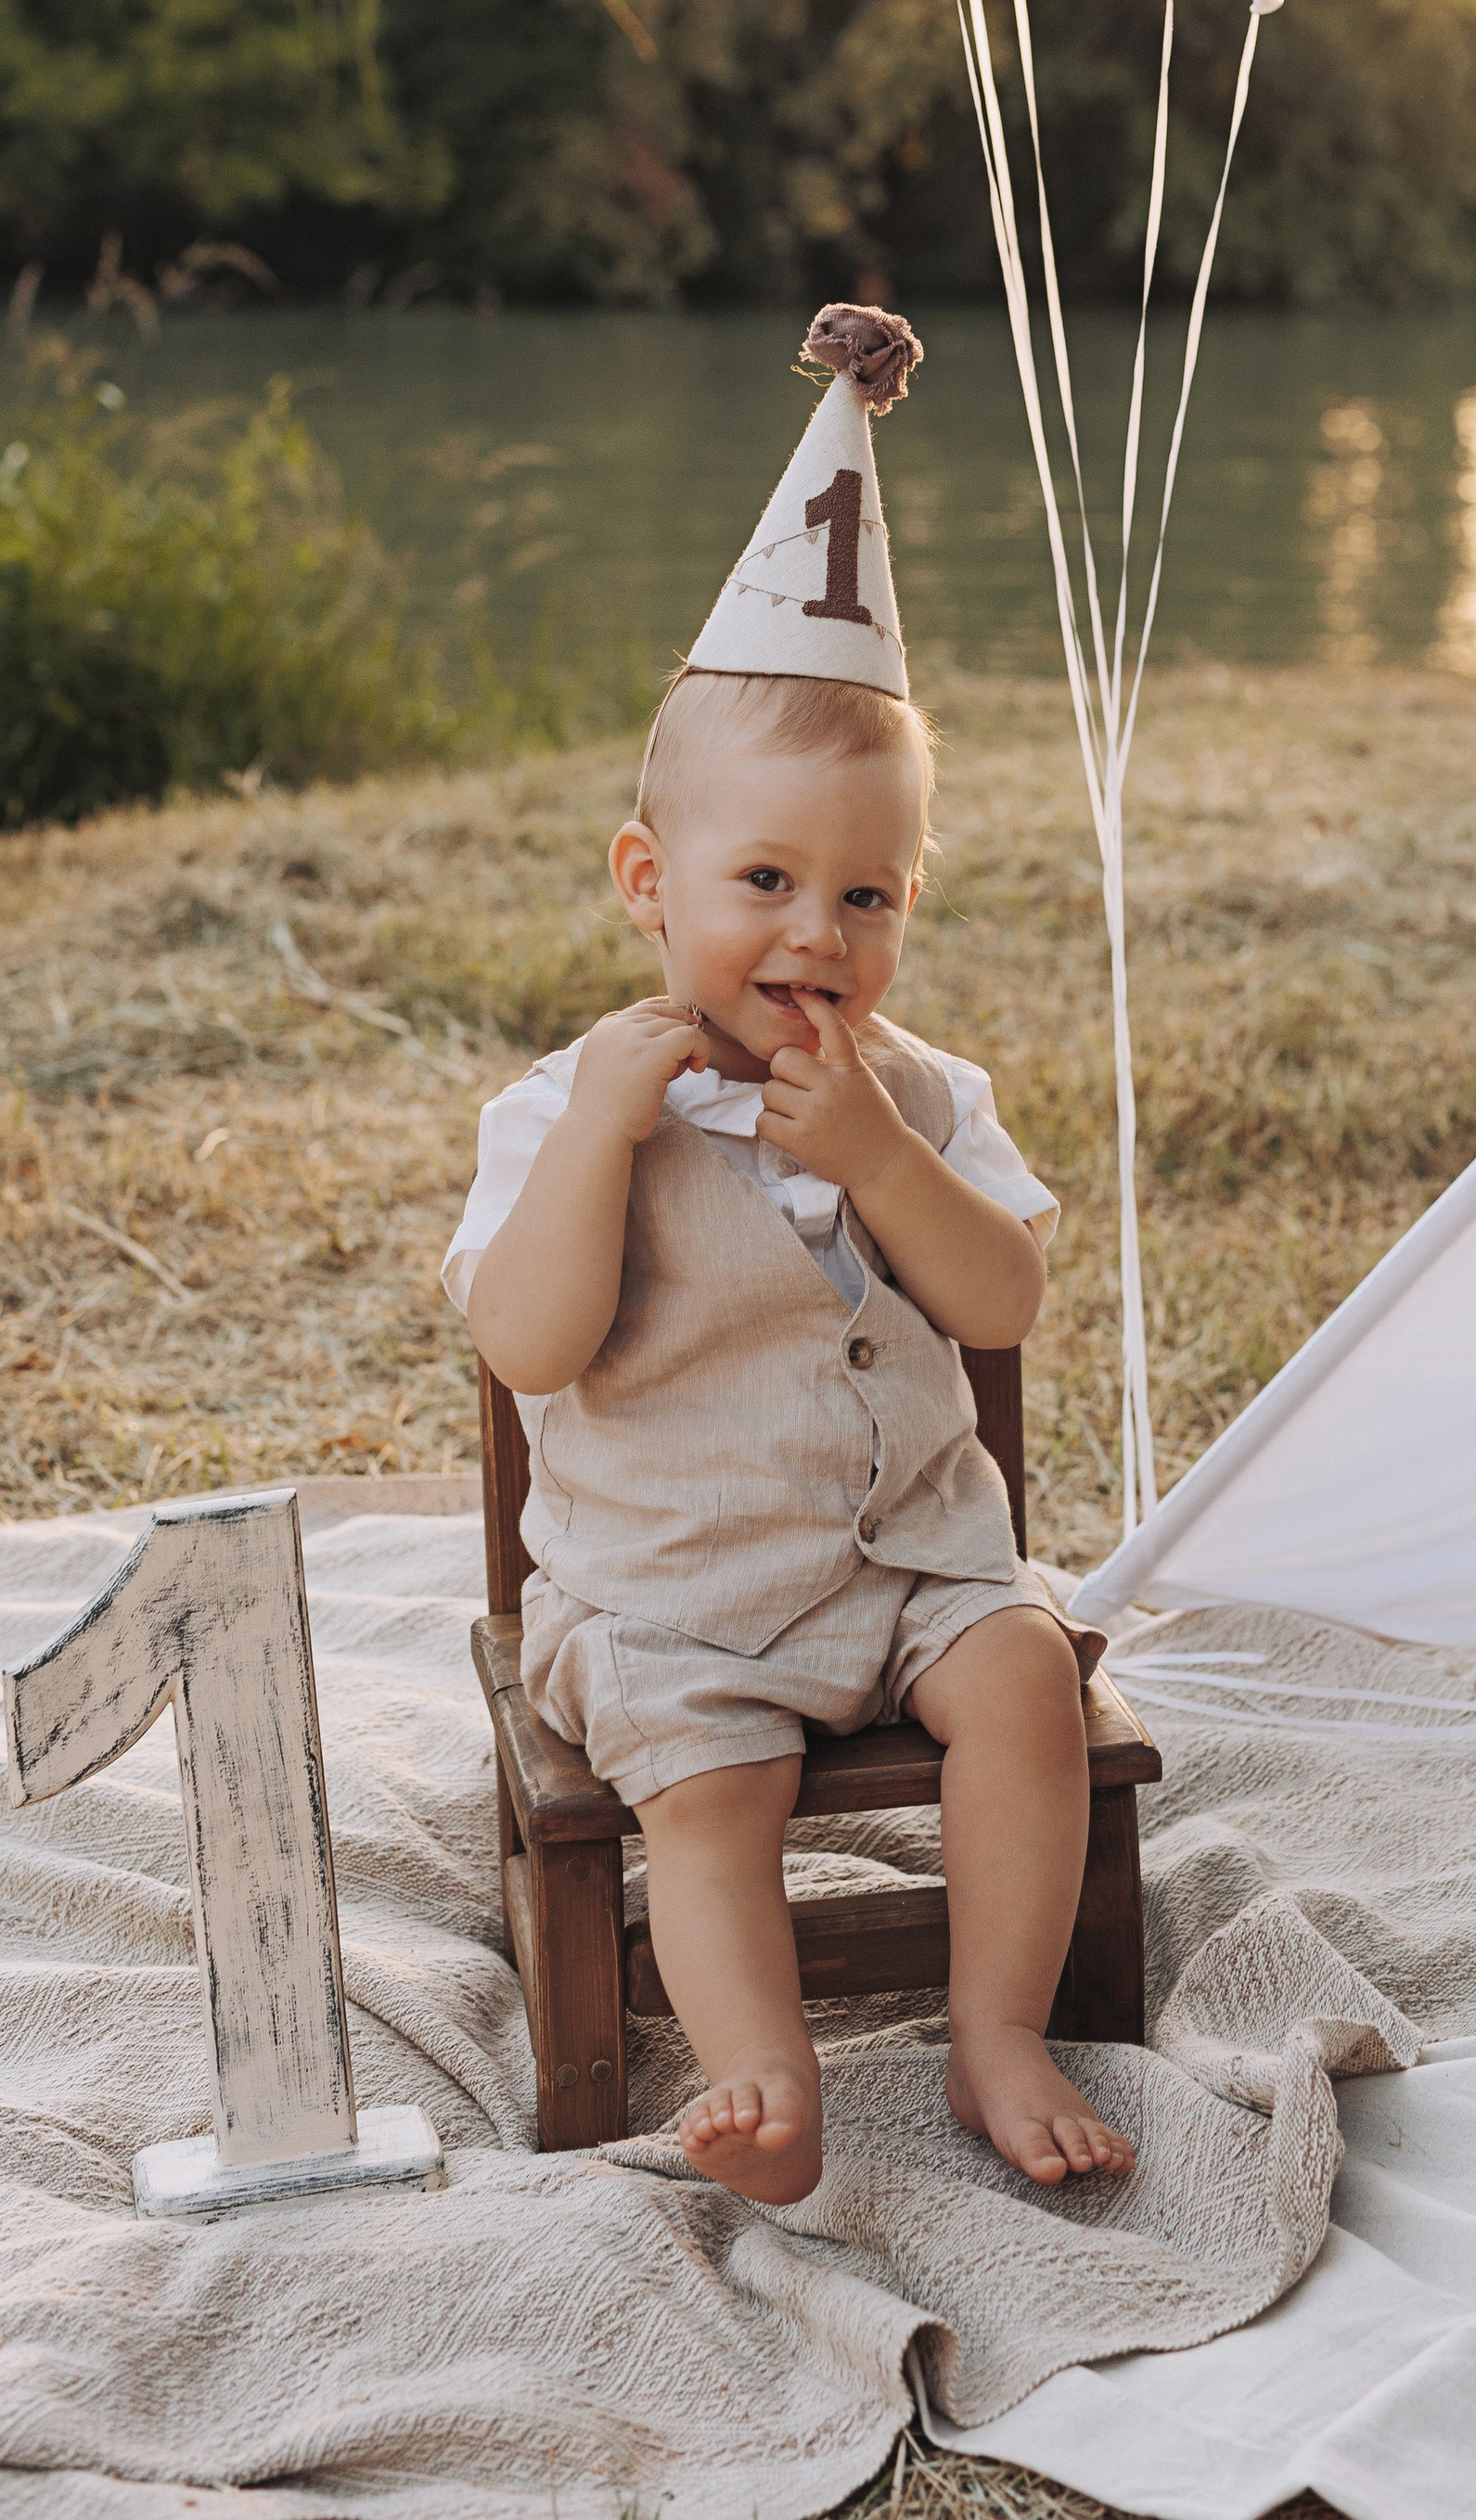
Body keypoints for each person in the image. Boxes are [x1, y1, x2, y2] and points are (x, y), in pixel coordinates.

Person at [443, 308, 1136, 2209]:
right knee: (708, 1787)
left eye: (864, 894)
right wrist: (600, 1137)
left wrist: (886, 1160)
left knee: (1022, 1685)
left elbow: (997, 1306)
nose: (812, 932)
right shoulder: (573, 1105)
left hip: (913, 1562)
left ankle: (995, 2025)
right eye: (762, 882)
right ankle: (759, 2072)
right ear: (648, 881)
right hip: (670, 1599)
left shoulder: (923, 1092)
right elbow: (527, 1344)